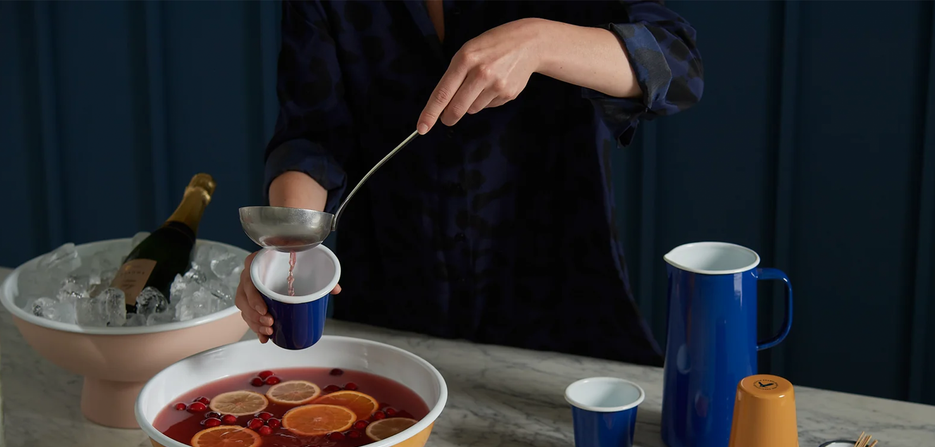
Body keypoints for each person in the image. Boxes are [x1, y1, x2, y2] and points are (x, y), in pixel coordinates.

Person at [236, 0, 703, 365]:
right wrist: (289, 245)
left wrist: (540, 42)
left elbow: (678, 69)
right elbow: (312, 134)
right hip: (391, 310)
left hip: (563, 310)